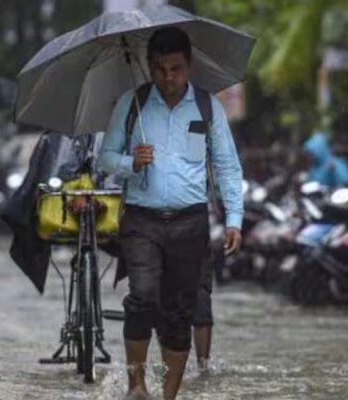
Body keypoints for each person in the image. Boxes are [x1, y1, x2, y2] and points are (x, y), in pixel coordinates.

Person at [97, 27, 244, 400]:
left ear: (188, 66)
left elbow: (227, 167)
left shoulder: (209, 108)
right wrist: (132, 162)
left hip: (190, 221)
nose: (168, 78)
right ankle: (136, 385)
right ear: (149, 67)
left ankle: (168, 396)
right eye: (160, 69)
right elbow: (106, 158)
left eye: (175, 69)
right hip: (142, 221)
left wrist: (234, 220)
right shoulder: (132, 104)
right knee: (142, 296)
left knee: (180, 311)